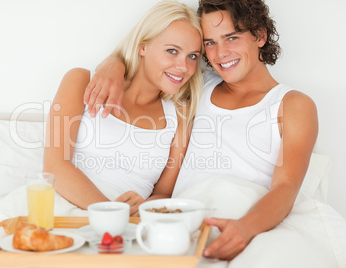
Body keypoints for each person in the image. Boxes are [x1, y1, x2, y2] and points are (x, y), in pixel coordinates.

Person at [83, 0, 318, 260]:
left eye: (232, 37)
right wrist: (113, 64)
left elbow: (285, 188)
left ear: (260, 35)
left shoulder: (292, 104)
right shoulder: (196, 86)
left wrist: (246, 227)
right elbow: (153, 59)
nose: (220, 53)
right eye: (210, 42)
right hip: (186, 216)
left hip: (243, 215)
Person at [43, 0, 204, 216]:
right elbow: (54, 167)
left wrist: (144, 207)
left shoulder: (180, 116)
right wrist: (111, 212)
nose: (184, 67)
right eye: (172, 51)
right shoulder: (80, 81)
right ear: (143, 46)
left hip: (125, 224)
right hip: (61, 206)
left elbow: (164, 193)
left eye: (192, 56)